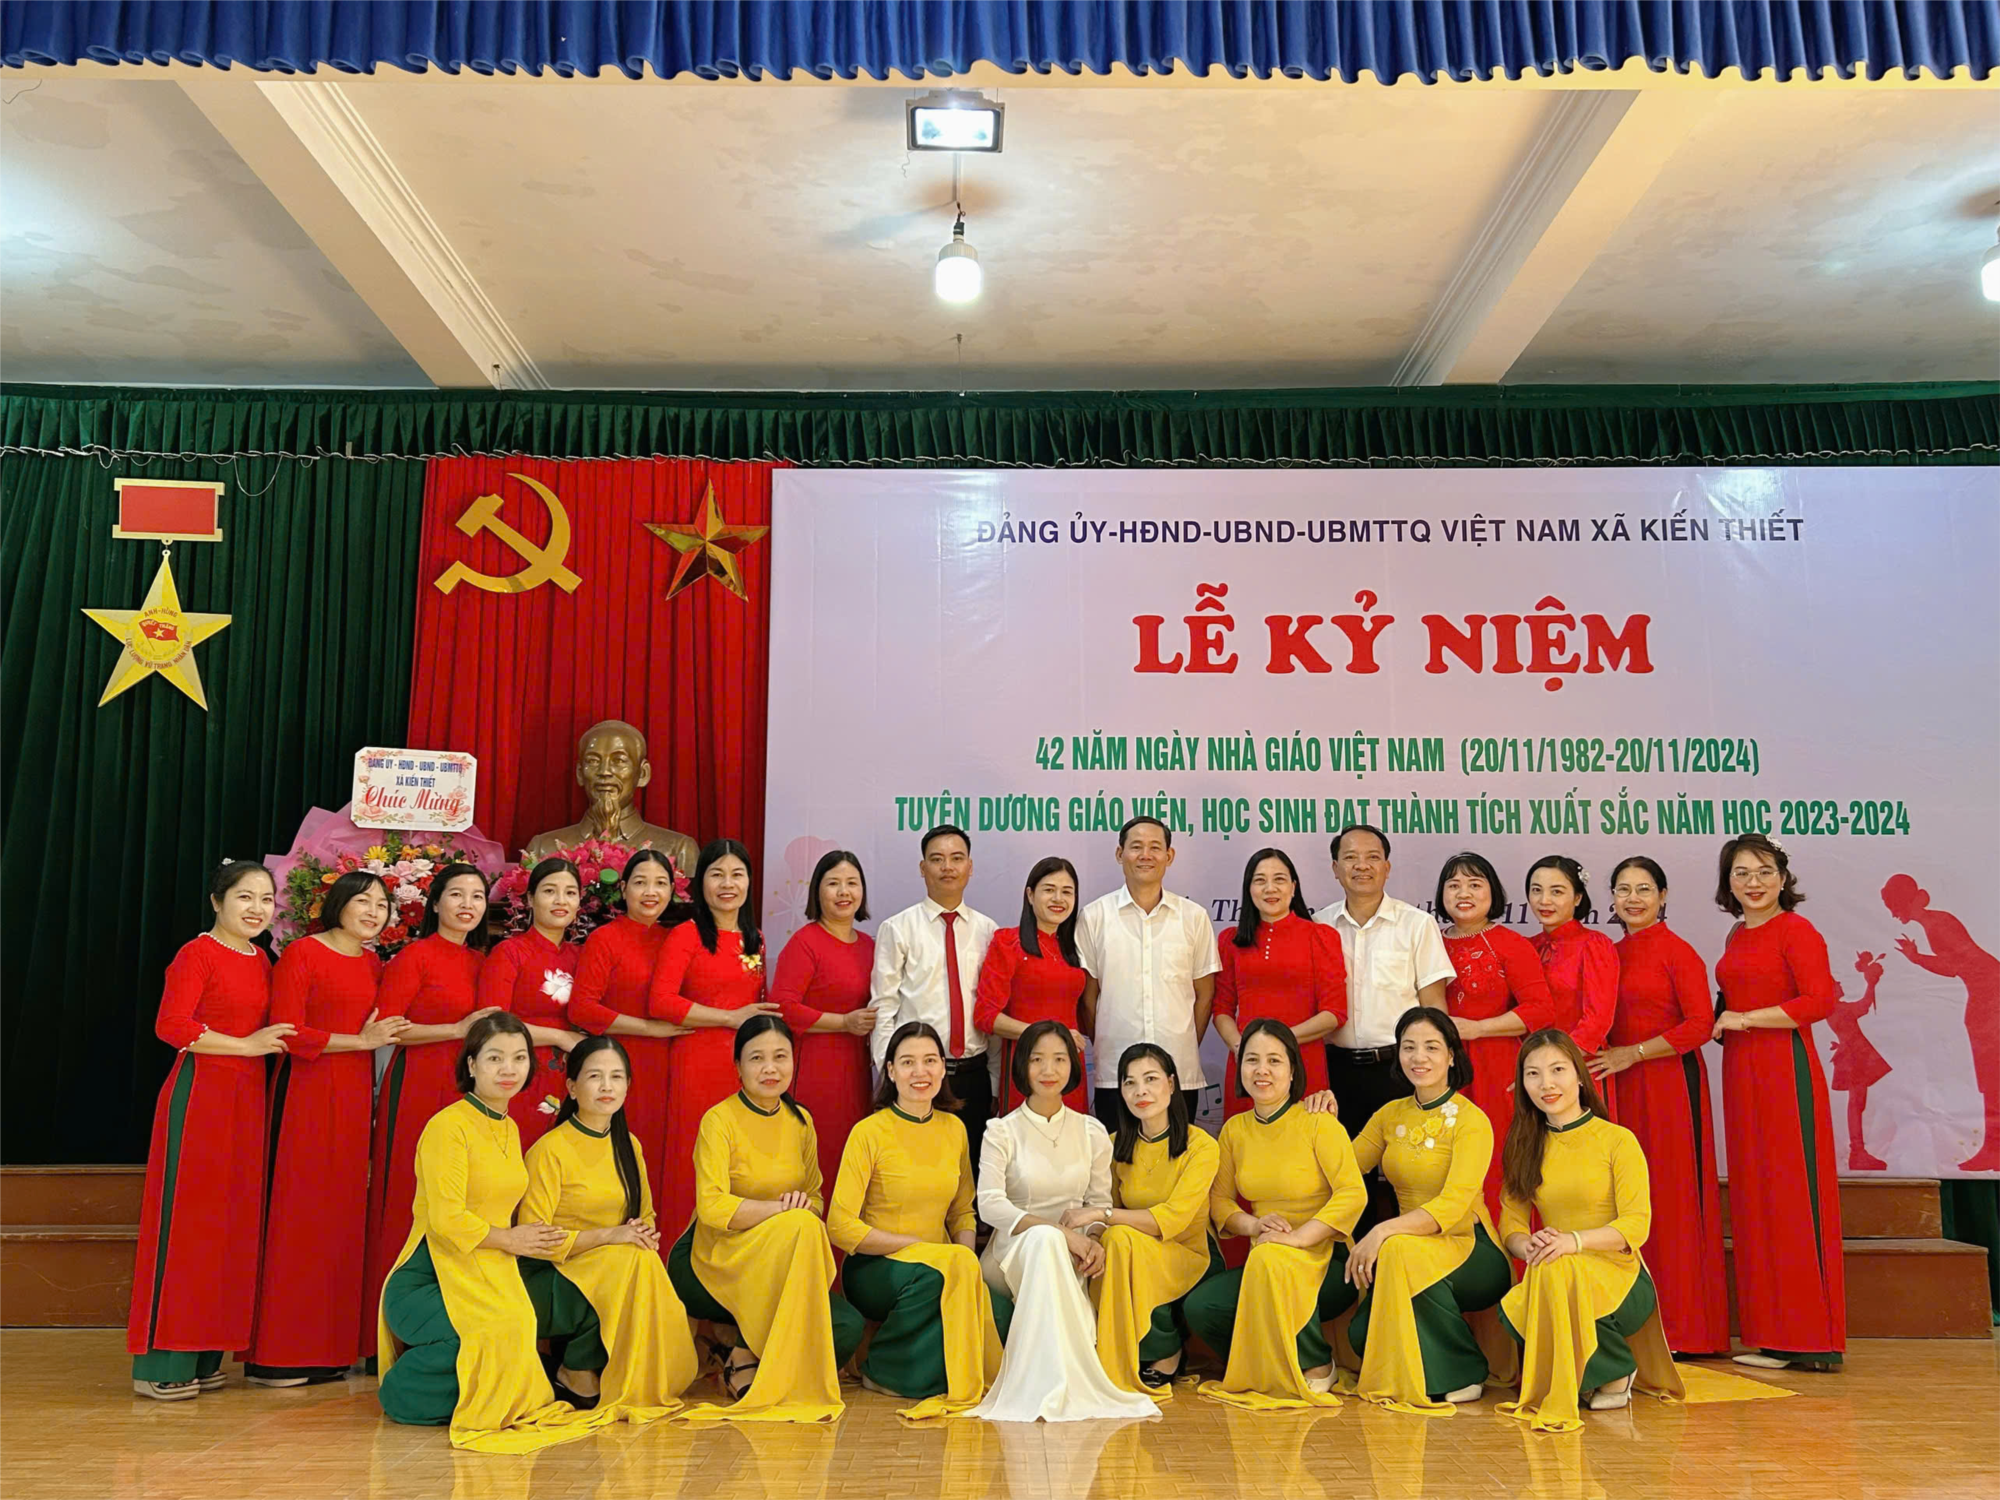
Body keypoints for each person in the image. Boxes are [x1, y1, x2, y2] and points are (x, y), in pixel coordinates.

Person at [376, 1012, 613, 1451]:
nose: (509, 1069)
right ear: (471, 1065)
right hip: (429, 1277)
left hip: (488, 1268)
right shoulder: (448, 1126)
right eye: (495, 1058)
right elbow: (446, 1219)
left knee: (519, 1323)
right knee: (491, 1330)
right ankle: (403, 1395)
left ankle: (481, 1396)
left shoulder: (509, 1125)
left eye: (519, 1058)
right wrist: (510, 1240)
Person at [129, 861, 293, 1401]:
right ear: (217, 901)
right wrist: (245, 1045)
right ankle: (163, 1361)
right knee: (190, 1224)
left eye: (266, 899)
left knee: (230, 1227)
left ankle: (204, 1355)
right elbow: (171, 1025)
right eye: (245, 897)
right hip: (201, 1094)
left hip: (246, 1100)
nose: (257, 909)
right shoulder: (196, 954)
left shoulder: (262, 959)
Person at [246, 872, 407, 1387]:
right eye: (362, 901)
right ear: (337, 903)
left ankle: (331, 1349)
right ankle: (279, 1355)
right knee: (300, 1215)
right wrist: (360, 1042)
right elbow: (287, 1031)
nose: (373, 912)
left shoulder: (373, 963)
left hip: (355, 1097)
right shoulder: (303, 954)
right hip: (307, 1093)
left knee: (342, 1217)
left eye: (381, 904)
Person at [668, 1016, 865, 1421]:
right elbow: (713, 1208)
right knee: (799, 1225)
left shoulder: (801, 1121)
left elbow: (816, 1199)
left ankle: (733, 1342)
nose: (770, 1068)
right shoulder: (719, 1120)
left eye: (780, 1056)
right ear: (738, 1066)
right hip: (714, 1258)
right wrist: (781, 1212)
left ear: (794, 1061)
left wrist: (799, 1210)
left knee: (844, 1327)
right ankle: (744, 1351)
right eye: (757, 1058)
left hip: (779, 1262)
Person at [1496, 1029, 1682, 1433]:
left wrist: (1573, 1242)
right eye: (1533, 1074)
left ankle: (1616, 1367)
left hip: (1621, 1278)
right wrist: (1528, 1245)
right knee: (1543, 1277)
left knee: (1561, 1266)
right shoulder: (1524, 1144)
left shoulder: (1617, 1140)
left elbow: (1636, 1225)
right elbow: (1511, 1221)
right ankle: (1585, 1373)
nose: (1546, 1084)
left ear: (1580, 1076)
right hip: (1554, 1269)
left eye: (1557, 1070)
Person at [971, 1020, 1157, 1422]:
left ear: (1073, 1066)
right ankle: (1055, 1385)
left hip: (1074, 1255)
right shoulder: (1001, 1132)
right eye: (1037, 1059)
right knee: (1046, 1242)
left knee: (1053, 1245)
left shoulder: (1090, 1131)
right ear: (1022, 1066)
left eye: (1059, 1059)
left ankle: (1059, 1385)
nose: (1048, 1070)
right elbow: (990, 1206)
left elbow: (1098, 1203)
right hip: (1010, 1254)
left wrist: (1093, 1240)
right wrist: (1061, 1233)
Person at [1334, 1007, 1511, 1415]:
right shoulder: (1390, 1114)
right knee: (1364, 1336)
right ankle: (1432, 1369)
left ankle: (1464, 1372)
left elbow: (1452, 1205)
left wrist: (1382, 1231)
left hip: (1470, 1246)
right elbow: (1344, 1169)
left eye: (1432, 1047)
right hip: (1411, 1248)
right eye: (1409, 1047)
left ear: (1451, 1055)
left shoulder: (1472, 1121)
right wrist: (1319, 1121)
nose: (1419, 1057)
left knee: (1398, 1250)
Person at [1587, 857, 1729, 1357]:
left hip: (1668, 1086)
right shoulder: (1607, 953)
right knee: (1623, 1199)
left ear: (1663, 896)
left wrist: (1636, 1053)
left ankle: (1685, 1329)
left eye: (1644, 889)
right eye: (1623, 889)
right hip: (1619, 1087)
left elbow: (1700, 1025)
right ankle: (1629, 1325)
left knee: (1671, 1198)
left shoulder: (1678, 952)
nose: (1633, 899)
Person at [1712, 833, 1845, 1370]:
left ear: (1784, 878)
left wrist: (1745, 1019)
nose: (1754, 882)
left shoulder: (1797, 930)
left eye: (1765, 871)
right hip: (1741, 1070)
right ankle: (1771, 1334)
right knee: (1756, 1196)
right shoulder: (1737, 933)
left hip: (1784, 1069)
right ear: (1728, 883)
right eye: (1741, 873)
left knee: (1791, 1195)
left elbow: (1820, 1000)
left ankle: (1810, 1338)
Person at [1185, 1019, 1367, 1410]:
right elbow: (1220, 1202)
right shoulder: (1234, 1130)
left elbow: (1353, 1193)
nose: (1261, 1070)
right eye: (1252, 1060)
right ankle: (1264, 1363)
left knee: (1272, 1257)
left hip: (1327, 1261)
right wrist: (1253, 1224)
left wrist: (1299, 1238)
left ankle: (1317, 1363)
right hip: (1265, 1259)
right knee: (1203, 1307)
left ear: (1293, 1070)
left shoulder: (1319, 1123)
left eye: (1274, 1060)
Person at [518, 1035, 697, 1423]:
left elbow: (645, 1215)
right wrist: (610, 1237)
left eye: (616, 1077)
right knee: (630, 1262)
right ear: (571, 1087)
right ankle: (579, 1366)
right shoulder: (550, 1150)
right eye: (594, 1076)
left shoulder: (629, 1145)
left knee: (641, 1258)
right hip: (551, 1274)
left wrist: (642, 1233)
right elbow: (534, 1240)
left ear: (628, 1086)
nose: (606, 1086)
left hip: (611, 1268)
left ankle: (647, 1375)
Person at [830, 1021, 1001, 1420]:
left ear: (943, 1067)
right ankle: (882, 1370)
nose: (919, 1072)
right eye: (907, 1062)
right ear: (890, 1070)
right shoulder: (868, 1132)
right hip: (877, 1266)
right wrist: (914, 1247)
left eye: (929, 1061)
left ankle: (932, 1372)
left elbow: (962, 1210)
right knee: (933, 1281)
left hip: (941, 1264)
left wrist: (965, 1264)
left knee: (999, 1313)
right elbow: (839, 1224)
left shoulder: (954, 1129)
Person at [363, 863, 494, 1341]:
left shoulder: (483, 962)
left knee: (459, 1198)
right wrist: (455, 1029)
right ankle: (383, 1331)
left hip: (467, 1089)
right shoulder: (414, 956)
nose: (467, 904)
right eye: (456, 894)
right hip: (418, 1083)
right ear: (435, 903)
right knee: (409, 1193)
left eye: (476, 896)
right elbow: (388, 1028)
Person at [1314, 825, 1454, 1227]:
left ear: (1387, 867)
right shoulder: (1319, 926)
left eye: (1372, 857)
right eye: (1351, 857)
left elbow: (1433, 1007)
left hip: (1401, 1070)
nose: (1362, 866)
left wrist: (1438, 1072)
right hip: (1337, 1071)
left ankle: (1407, 1257)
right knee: (1344, 1179)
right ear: (1335, 868)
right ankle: (1351, 1261)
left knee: (1409, 1174)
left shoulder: (1416, 924)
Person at [649, 839, 782, 1239]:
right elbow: (661, 1001)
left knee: (741, 1160)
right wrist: (729, 1018)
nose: (727, 884)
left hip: (745, 1069)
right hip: (697, 1062)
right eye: (717, 874)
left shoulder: (755, 938)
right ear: (700, 883)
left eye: (737, 874)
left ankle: (738, 1257)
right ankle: (681, 1251)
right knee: (696, 1157)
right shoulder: (685, 936)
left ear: (749, 882)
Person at [1083, 1043, 1221, 1397]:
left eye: (1150, 1079)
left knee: (1122, 1239)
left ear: (1171, 1084)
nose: (1140, 1091)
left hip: (1189, 1252)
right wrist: (1096, 1230)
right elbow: (1106, 1205)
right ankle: (1114, 1351)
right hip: (1134, 1250)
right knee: (1112, 1241)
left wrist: (1102, 1215)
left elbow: (1173, 1219)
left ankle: (1166, 1349)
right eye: (1129, 1083)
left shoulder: (1201, 1145)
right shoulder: (1113, 1145)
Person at [1434, 851, 1557, 1223]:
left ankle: (1505, 1247)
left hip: (1495, 1067)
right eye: (1454, 885)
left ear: (1493, 892)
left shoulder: (1510, 943)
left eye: (1475, 884)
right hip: (1439, 1068)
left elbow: (1540, 1009)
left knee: (1495, 1159)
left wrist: (1479, 1028)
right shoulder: (1429, 941)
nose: (1463, 893)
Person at [869, 825, 999, 1170]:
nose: (947, 867)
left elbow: (992, 1011)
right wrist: (890, 1073)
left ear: (970, 866)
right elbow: (884, 1007)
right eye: (937, 859)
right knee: (917, 1172)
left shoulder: (989, 931)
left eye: (957, 858)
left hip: (973, 1074)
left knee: (970, 1174)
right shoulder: (897, 928)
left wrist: (995, 1081)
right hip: (918, 1075)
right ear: (922, 867)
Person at [1078, 816, 1220, 1128]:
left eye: (1155, 847)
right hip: (1115, 1073)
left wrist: (1182, 1042)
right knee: (1117, 1155)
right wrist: (1106, 1042)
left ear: (1169, 856)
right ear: (1120, 854)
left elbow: (1205, 995)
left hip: (1178, 1072)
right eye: (1136, 847)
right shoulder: (1094, 916)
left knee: (1177, 1154)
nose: (1146, 855)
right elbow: (1089, 999)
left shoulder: (1193, 917)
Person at [568, 849, 688, 1205]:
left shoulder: (678, 939)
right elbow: (582, 1009)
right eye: (640, 883)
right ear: (623, 889)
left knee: (670, 1156)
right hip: (622, 1063)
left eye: (660, 883)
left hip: (676, 1062)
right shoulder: (605, 939)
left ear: (673, 891)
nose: (650, 892)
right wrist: (648, 1029)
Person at [771, 850, 878, 1193]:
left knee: (853, 1159)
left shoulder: (870, 945)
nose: (844, 892)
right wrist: (843, 1022)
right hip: (816, 1068)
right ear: (818, 890)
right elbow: (783, 1006)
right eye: (833, 883)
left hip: (857, 1069)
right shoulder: (806, 942)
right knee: (820, 1158)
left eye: (852, 883)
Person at [1213, 847, 1345, 1117]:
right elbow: (1222, 1009)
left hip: (1302, 1061)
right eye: (1260, 880)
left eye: (1279, 879)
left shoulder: (1320, 936)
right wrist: (1242, 1048)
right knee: (1244, 1138)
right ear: (1249, 889)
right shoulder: (1230, 940)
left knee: (1305, 1138)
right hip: (1248, 1065)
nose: (1270, 888)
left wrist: (1278, 1044)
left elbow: (1334, 1014)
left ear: (1293, 887)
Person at [1881, 873, 2000, 1170]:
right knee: (1990, 1072)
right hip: (1985, 992)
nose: (1893, 914)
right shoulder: (1934, 921)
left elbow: (1954, 966)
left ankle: (1994, 1148)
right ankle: (1993, 1146)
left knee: (1991, 1071)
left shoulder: (1937, 924)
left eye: (1893, 906)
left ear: (1903, 901)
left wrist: (1916, 957)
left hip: (1990, 994)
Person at [478, 858, 587, 1148]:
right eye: (549, 891)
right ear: (530, 898)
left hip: (575, 1078)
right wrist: (561, 1037)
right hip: (520, 1073)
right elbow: (491, 1023)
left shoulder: (583, 956)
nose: (560, 900)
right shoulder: (510, 953)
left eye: (570, 892)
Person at [974, 857, 1090, 1116]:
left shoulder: (1076, 946)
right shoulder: (1007, 943)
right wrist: (1046, 1036)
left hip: (1069, 1066)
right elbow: (986, 1016)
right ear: (1030, 894)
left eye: (1067, 892)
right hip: (1026, 1063)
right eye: (1049, 890)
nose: (1058, 899)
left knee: (1072, 1135)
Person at [523, 717, 700, 872]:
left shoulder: (678, 849)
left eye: (619, 761)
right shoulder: (543, 848)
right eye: (593, 761)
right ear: (580, 773)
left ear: (643, 774)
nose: (604, 771)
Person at [1526, 856, 1616, 1053]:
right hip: (1531, 1061)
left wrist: (1558, 1059)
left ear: (1577, 898)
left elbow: (1598, 1018)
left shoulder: (1594, 944)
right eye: (1536, 890)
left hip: (1577, 1061)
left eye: (1557, 891)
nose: (1544, 900)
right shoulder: (1526, 946)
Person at [1830, 953, 1894, 1171]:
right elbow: (1864, 1005)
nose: (1839, 983)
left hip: (1852, 1055)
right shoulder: (1838, 1009)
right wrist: (1871, 983)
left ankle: (1858, 1151)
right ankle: (1857, 1151)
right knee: (1856, 1103)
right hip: (1853, 1057)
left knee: (1857, 1103)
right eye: (1835, 983)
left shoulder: (1836, 1010)